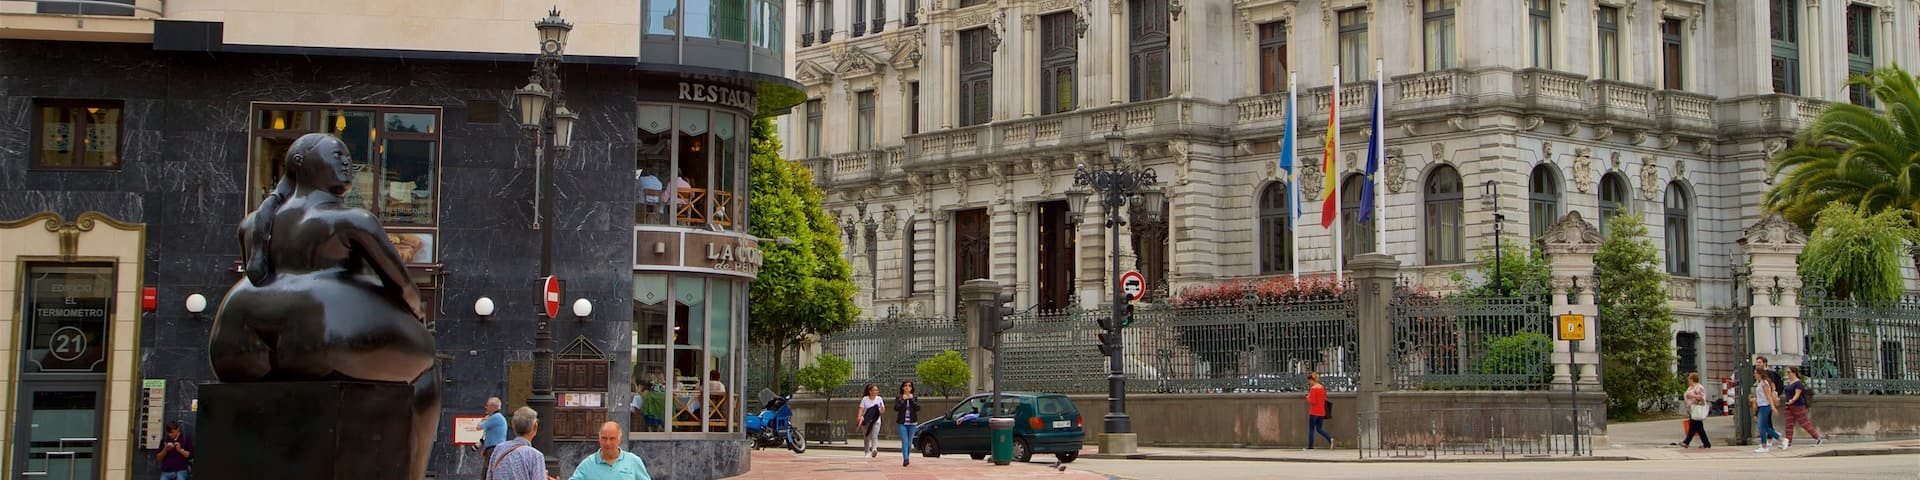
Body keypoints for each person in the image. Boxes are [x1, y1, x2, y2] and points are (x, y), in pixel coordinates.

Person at [209, 133, 441, 479]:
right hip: (321, 331)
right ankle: (413, 474)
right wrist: (416, 314)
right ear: (302, 164)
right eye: (337, 155)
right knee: (426, 367)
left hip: (236, 338)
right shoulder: (352, 220)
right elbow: (403, 286)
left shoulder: (253, 224)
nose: (347, 161)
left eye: (348, 156)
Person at [491, 407, 560, 480]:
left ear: (513, 426)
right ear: (535, 427)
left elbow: (489, 476)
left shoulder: (498, 448)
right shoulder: (535, 456)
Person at [569, 421, 652, 480]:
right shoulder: (587, 464)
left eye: (612, 438)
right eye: (604, 438)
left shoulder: (634, 461)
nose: (608, 443)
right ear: (599, 439)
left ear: (619, 440)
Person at [1779, 367, 1823, 449]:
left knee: (1804, 423)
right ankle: (1788, 442)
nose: (1787, 374)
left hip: (1798, 405)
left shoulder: (1798, 383)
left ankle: (1817, 437)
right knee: (1789, 424)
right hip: (1789, 406)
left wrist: (1792, 400)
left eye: (1789, 372)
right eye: (1787, 372)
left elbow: (1797, 394)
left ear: (1794, 373)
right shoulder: (1790, 383)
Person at [1753, 369, 1784, 453]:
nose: (1754, 375)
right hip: (1761, 405)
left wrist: (1773, 407)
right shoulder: (1760, 383)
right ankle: (1781, 439)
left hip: (1765, 406)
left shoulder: (1764, 383)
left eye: (1756, 373)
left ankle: (1764, 445)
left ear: (1760, 374)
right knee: (1765, 427)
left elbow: (1768, 396)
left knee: (1761, 426)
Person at [895, 380, 923, 467]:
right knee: (905, 441)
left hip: (912, 423)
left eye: (909, 386)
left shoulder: (914, 397)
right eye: (906, 386)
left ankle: (907, 456)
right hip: (902, 423)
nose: (907, 387)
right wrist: (903, 400)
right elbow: (896, 408)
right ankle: (905, 459)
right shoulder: (899, 397)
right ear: (903, 387)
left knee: (909, 442)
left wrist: (911, 400)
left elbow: (918, 408)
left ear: (911, 388)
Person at [1680, 372, 1712, 449]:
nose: (1688, 380)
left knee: (1693, 427)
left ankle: (1686, 442)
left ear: (1693, 379)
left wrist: (1692, 396)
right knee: (1699, 428)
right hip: (1692, 409)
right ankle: (1706, 443)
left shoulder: (1699, 387)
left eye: (1689, 378)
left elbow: (1701, 397)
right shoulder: (1691, 387)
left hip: (1697, 409)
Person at [480, 397, 509, 479]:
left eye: (487, 405)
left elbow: (479, 427)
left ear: (493, 407)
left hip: (494, 449)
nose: (485, 407)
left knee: (488, 470)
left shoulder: (495, 417)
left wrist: (484, 420)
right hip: (492, 448)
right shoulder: (497, 418)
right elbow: (491, 434)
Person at [1305, 372, 1334, 450]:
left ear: (1312, 380)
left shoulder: (1313, 389)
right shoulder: (1322, 387)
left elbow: (1313, 401)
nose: (1309, 382)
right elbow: (1324, 398)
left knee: (1311, 429)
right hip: (1321, 411)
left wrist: (1307, 398)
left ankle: (1310, 446)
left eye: (1309, 380)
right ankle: (1330, 438)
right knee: (1319, 429)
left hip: (1314, 412)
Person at [856, 384, 885, 459]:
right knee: (867, 436)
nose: (876, 391)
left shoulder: (879, 399)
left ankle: (874, 449)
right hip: (866, 420)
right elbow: (861, 409)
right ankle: (866, 451)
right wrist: (859, 416)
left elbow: (882, 410)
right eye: (874, 390)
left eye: (877, 390)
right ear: (870, 391)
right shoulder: (865, 399)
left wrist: (881, 408)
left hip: (876, 420)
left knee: (875, 435)